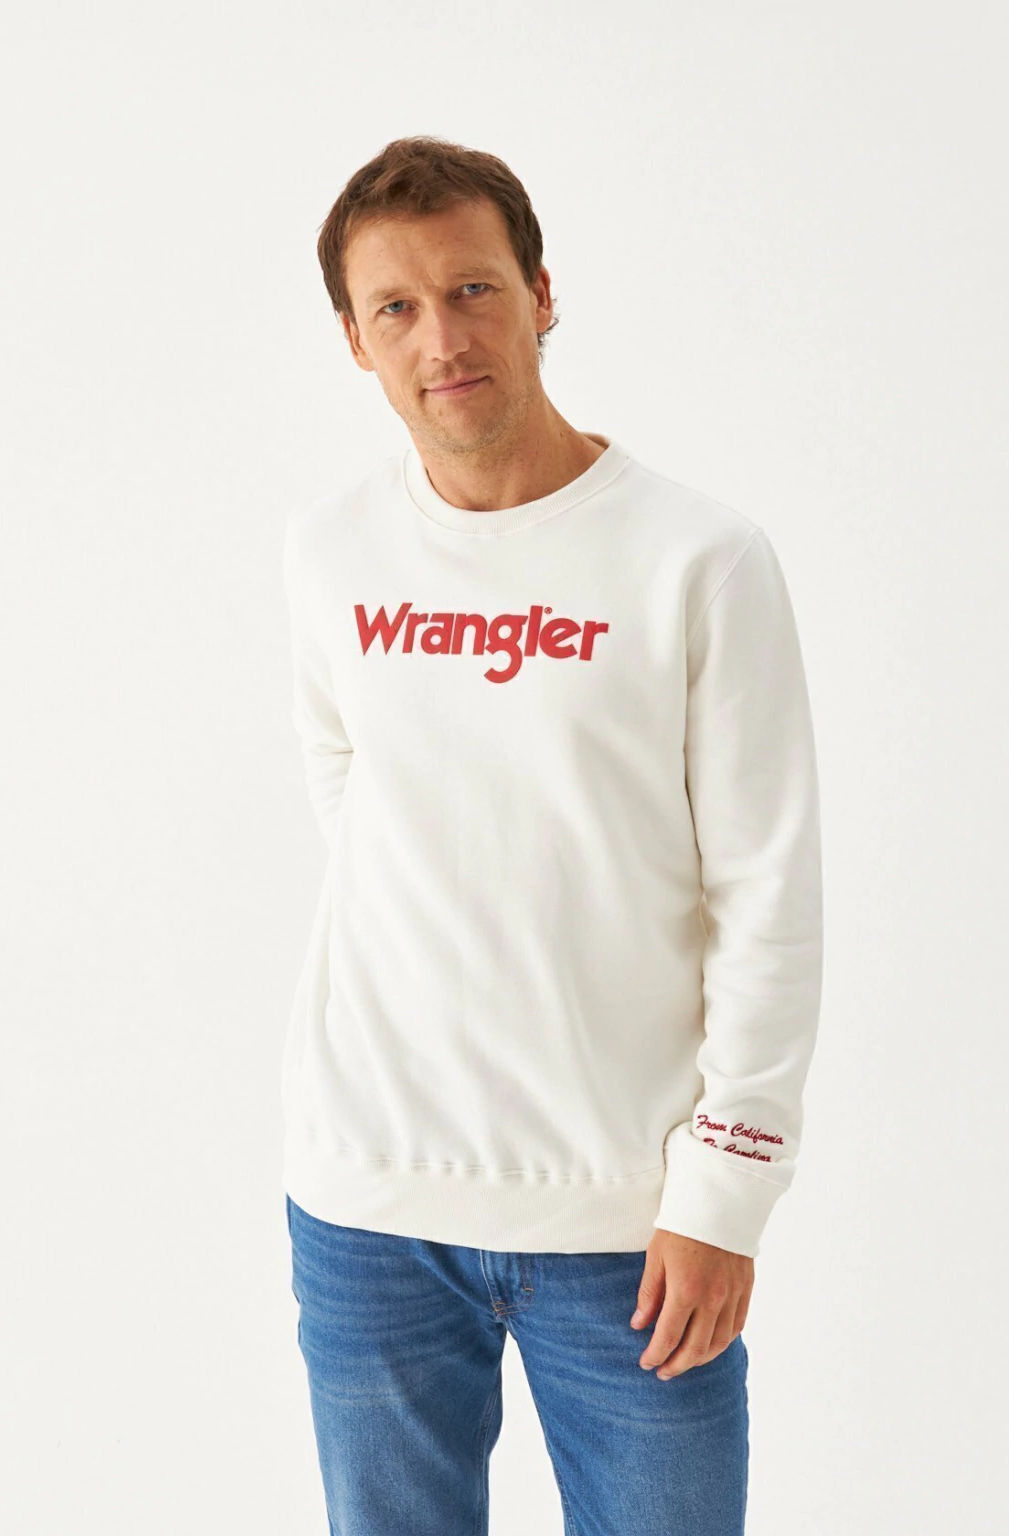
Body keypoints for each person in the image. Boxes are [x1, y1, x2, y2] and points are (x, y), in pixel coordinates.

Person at [281, 134, 823, 1536]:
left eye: (473, 289)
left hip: (627, 1229)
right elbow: (356, 794)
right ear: (354, 339)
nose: (442, 338)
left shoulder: (698, 560)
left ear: (539, 293)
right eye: (397, 307)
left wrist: (725, 1193)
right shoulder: (331, 553)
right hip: (368, 1209)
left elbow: (768, 895)